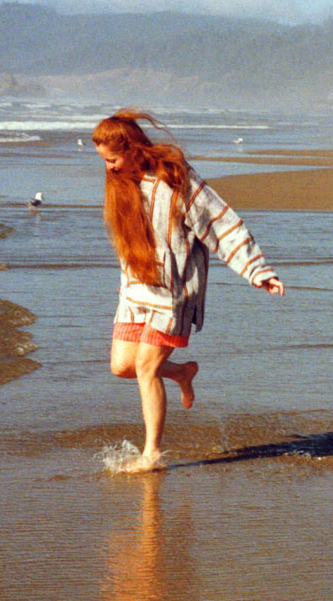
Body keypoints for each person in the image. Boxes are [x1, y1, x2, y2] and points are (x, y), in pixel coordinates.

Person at [92, 109, 285, 472]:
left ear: (133, 148)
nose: (109, 169)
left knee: (147, 369)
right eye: (104, 161)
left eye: (113, 160)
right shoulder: (122, 184)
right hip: (135, 290)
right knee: (122, 366)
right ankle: (181, 373)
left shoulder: (176, 180)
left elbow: (221, 223)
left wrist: (258, 271)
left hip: (173, 293)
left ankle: (152, 454)